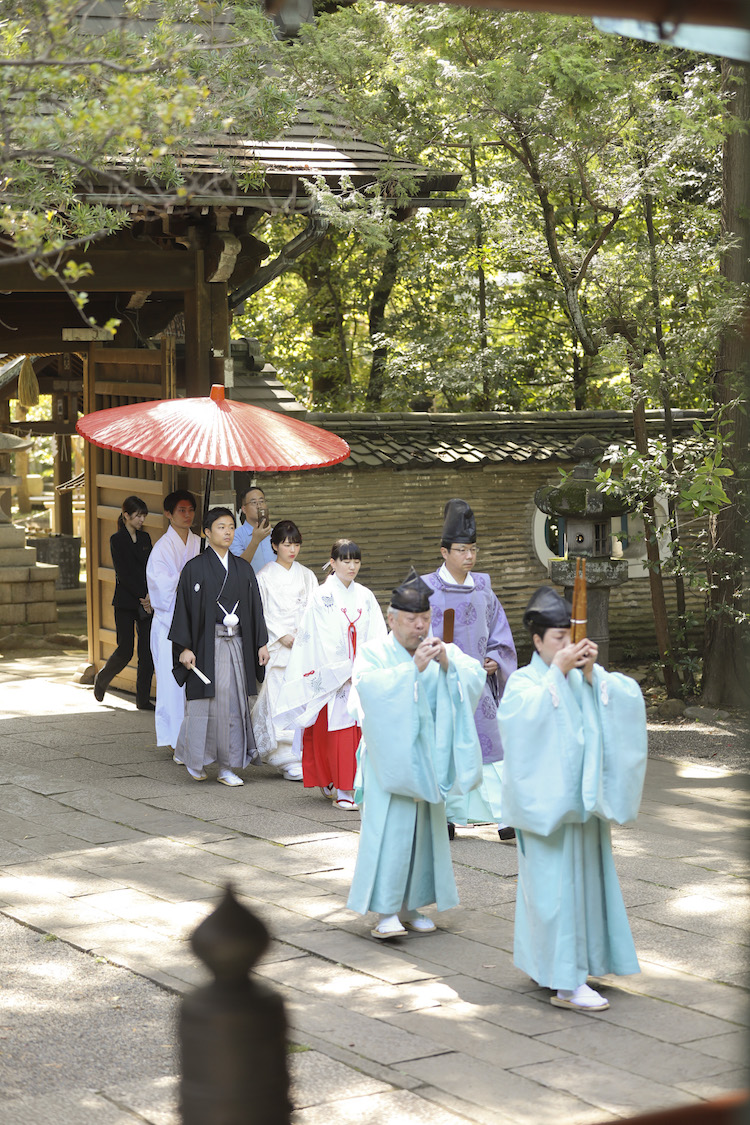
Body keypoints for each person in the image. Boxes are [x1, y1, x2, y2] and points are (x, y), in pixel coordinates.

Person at [497, 586, 648, 1013]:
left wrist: (593, 676)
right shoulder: (527, 682)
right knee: (552, 890)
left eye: (571, 636)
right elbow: (520, 726)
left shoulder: (580, 676)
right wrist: (556, 678)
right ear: (538, 640)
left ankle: (567, 964)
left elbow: (621, 703)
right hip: (548, 807)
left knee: (583, 887)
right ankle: (565, 982)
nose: (567, 645)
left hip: (584, 805)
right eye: (558, 638)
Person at [347, 568, 486, 939]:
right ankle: (386, 911)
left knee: (424, 834)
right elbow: (368, 694)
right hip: (388, 760)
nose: (419, 627)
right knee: (391, 831)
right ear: (392, 619)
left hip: (427, 758)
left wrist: (447, 664)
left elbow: (474, 677)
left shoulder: (440, 648)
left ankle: (413, 906)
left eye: (425, 619)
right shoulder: (375, 652)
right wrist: (412, 670)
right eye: (411, 619)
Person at [422, 498, 517, 841]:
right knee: (443, 749)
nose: (469, 557)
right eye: (462, 550)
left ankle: (507, 817)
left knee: (493, 748)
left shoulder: (484, 588)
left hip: (477, 685)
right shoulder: (424, 589)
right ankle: (444, 815)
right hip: (441, 685)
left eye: (473, 550)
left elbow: (499, 632)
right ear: (444, 552)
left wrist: (496, 657)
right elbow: (410, 634)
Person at [274, 539, 386, 810]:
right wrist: (343, 669)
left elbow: (376, 634)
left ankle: (356, 785)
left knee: (359, 732)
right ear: (333, 562)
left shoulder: (366, 595)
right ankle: (342, 787)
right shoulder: (322, 595)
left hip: (360, 672)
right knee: (336, 733)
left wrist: (367, 666)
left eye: (356, 561)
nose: (352, 566)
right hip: (333, 677)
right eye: (345, 561)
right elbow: (320, 639)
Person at [169, 507, 269, 786]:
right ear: (207, 533)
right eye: (221, 527)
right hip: (205, 645)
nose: (227, 532)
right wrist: (184, 648)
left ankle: (228, 766)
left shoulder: (243, 569)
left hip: (237, 644)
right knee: (203, 703)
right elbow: (184, 610)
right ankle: (195, 757)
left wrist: (261, 643)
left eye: (231, 527)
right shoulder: (195, 568)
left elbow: (255, 609)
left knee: (234, 704)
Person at [251, 520, 318, 782]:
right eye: (287, 544)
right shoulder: (264, 576)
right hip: (278, 646)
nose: (292, 549)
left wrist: (303, 635)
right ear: (275, 545)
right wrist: (280, 635)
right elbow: (261, 612)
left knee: (301, 699)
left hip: (302, 645)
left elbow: (313, 610)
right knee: (278, 699)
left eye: (296, 544)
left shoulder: (307, 575)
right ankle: (284, 757)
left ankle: (303, 753)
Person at [146, 489, 201, 753]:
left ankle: (192, 739)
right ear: (168, 513)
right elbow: (162, 588)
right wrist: (190, 577)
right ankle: (174, 741)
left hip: (193, 623)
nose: (187, 514)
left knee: (193, 686)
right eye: (181, 510)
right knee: (171, 685)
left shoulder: (199, 542)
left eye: (190, 509)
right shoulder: (161, 549)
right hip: (169, 624)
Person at [94, 495, 154, 710]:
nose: (141, 519)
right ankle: (102, 679)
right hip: (126, 601)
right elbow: (124, 573)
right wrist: (142, 595)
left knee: (147, 652)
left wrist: (150, 596)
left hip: (146, 601)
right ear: (126, 515)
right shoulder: (116, 539)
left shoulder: (146, 538)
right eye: (138, 515)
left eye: (143, 515)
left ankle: (143, 699)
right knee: (126, 649)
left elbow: (151, 569)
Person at [230, 485, 275, 574]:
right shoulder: (235, 536)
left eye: (261, 501)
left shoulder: (274, 533)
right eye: (254, 502)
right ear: (244, 509)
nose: (259, 506)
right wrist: (255, 540)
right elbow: (238, 566)